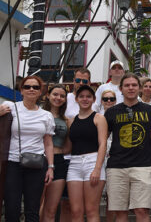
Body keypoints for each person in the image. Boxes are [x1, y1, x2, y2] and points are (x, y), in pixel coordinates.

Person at [0, 76, 55, 222]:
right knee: (11, 207)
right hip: (13, 162)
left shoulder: (46, 115)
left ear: (40, 92)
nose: (31, 89)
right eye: (27, 86)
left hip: (37, 163)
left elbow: (48, 143)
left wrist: (51, 167)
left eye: (35, 87)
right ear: (21, 90)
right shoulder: (11, 107)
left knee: (33, 209)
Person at [105, 73, 151, 222]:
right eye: (127, 85)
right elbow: (103, 137)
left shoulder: (149, 110)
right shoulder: (111, 112)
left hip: (142, 166)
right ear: (121, 89)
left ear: (140, 88)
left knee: (141, 210)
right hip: (117, 166)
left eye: (134, 85)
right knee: (121, 212)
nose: (131, 88)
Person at [66, 85, 107, 222]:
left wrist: (97, 168)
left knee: (91, 210)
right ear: (76, 99)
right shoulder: (71, 121)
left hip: (93, 161)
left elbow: (103, 144)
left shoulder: (99, 118)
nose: (85, 99)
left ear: (94, 99)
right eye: (81, 96)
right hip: (74, 164)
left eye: (88, 96)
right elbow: (68, 146)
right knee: (76, 210)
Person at [41, 84, 71, 222]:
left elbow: (68, 145)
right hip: (40, 160)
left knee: (51, 209)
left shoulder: (66, 120)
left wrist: (56, 151)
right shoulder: (38, 114)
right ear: (48, 95)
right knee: (36, 206)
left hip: (59, 161)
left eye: (62, 96)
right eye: (55, 94)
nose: (58, 98)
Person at [99, 90, 117, 222]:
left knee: (113, 198)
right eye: (106, 99)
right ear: (101, 101)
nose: (108, 101)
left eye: (111, 99)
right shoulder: (96, 116)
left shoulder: (119, 115)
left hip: (115, 157)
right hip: (98, 158)